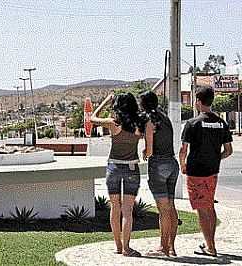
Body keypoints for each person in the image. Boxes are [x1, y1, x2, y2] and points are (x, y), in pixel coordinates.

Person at [179, 87, 233, 257]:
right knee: (209, 206)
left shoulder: (192, 123)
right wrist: (216, 159)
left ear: (199, 101)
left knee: (202, 209)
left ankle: (210, 247)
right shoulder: (221, 123)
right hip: (212, 171)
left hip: (196, 172)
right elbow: (228, 150)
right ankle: (211, 243)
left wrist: (183, 165)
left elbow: (183, 149)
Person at [91, 93, 143, 257]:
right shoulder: (138, 124)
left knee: (115, 208)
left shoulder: (113, 123)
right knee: (127, 211)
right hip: (132, 168)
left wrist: (106, 101)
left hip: (113, 167)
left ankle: (118, 246)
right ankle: (127, 247)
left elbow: (92, 118)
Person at [139, 91, 179, 257]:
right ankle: (171, 246)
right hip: (172, 163)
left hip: (158, 164)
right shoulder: (165, 117)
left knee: (163, 210)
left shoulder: (149, 120)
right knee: (171, 207)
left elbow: (149, 149)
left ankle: (163, 248)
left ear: (145, 104)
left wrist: (145, 152)